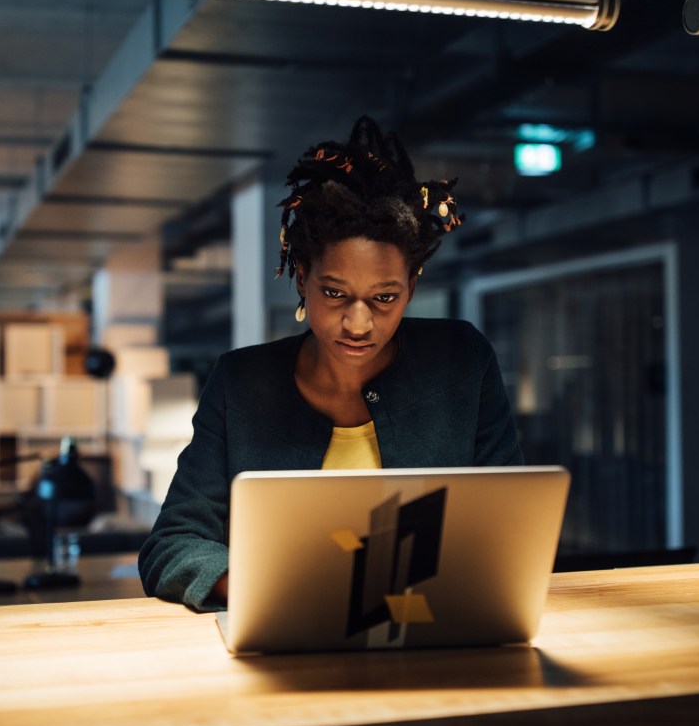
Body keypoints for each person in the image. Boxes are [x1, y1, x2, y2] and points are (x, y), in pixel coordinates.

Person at [138, 115, 522, 612]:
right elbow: (172, 545)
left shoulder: (462, 361)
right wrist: (271, 588)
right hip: (284, 625)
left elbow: (511, 523)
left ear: (412, 287)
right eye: (335, 293)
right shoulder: (242, 382)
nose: (358, 323)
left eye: (384, 297)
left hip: (437, 628)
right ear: (302, 276)